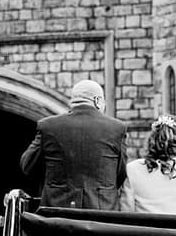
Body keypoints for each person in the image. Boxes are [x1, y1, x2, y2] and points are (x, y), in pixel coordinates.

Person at [19, 80, 129, 210]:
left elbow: (28, 165)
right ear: (97, 101)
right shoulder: (116, 128)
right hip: (101, 215)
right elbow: (120, 173)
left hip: (58, 214)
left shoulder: (48, 126)